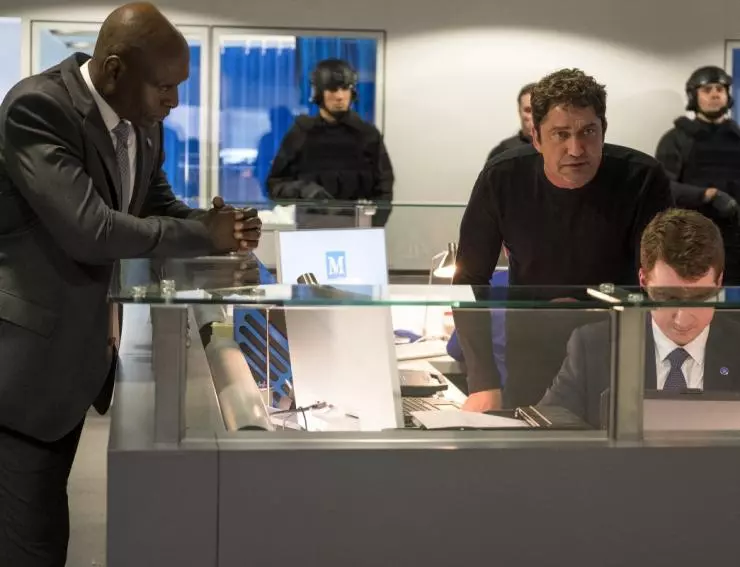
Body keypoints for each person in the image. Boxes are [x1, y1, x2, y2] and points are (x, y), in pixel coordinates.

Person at [0, 3, 261, 565]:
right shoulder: (37, 107)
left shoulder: (142, 124)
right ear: (115, 71)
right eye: (164, 87)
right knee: (31, 544)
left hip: (74, 362)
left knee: (43, 524)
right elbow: (90, 230)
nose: (174, 101)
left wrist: (220, 226)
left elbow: (154, 206)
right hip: (23, 372)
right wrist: (202, 235)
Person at [453, 68, 673, 413]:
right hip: (531, 341)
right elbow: (469, 279)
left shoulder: (643, 178)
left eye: (588, 132)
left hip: (617, 341)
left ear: (603, 130)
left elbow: (659, 280)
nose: (576, 149)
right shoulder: (502, 177)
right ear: (536, 138)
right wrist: (483, 381)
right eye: (560, 134)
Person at [539, 209, 740, 428]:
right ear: (644, 281)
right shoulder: (593, 346)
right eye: (668, 297)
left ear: (719, 282)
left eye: (699, 298)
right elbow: (548, 425)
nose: (682, 320)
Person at [267, 58, 394, 227]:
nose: (340, 96)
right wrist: (304, 190)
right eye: (333, 89)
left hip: (357, 229)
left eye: (345, 88)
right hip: (310, 228)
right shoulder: (301, 133)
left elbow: (384, 191)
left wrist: (373, 228)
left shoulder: (368, 135)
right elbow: (274, 185)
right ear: (319, 93)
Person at [655, 66, 740, 284]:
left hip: (735, 239)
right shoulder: (676, 139)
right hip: (692, 239)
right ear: (694, 96)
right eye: (707, 90)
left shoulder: (737, 137)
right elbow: (663, 186)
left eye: (720, 89)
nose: (715, 94)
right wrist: (708, 194)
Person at [486, 82, 535, 161]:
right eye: (528, 110)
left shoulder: (554, 148)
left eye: (538, 110)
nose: (534, 116)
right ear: (519, 111)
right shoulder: (502, 152)